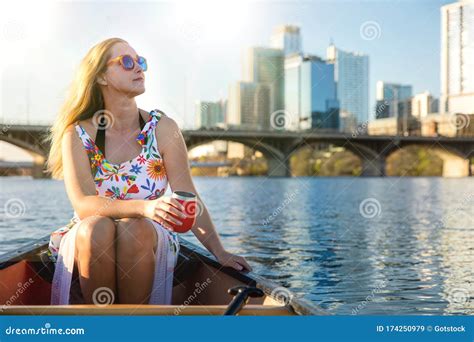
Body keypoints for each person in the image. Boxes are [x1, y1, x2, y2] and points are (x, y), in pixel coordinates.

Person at [46, 37, 252, 305]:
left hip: (149, 236)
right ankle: (101, 322)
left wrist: (219, 251)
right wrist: (145, 207)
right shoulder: (78, 133)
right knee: (96, 227)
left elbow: (187, 197)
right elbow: (85, 205)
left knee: (136, 229)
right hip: (90, 234)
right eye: (127, 62)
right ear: (101, 78)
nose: (139, 68)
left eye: (140, 61)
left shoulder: (163, 128)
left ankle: (136, 325)